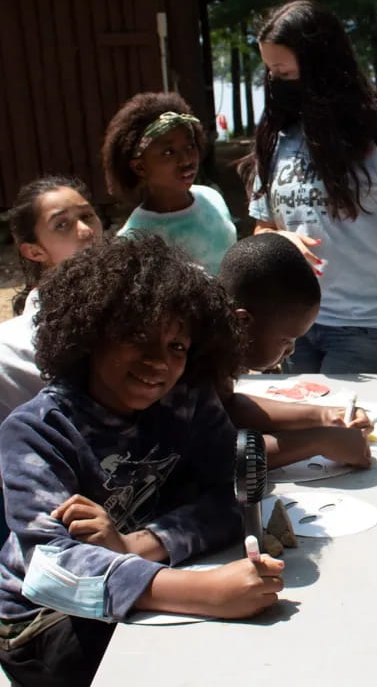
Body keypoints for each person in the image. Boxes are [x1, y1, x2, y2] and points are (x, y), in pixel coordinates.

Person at [0, 235, 284, 686]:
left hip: (158, 575)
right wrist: (203, 592)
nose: (158, 362)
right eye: (137, 337)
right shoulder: (39, 431)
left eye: (177, 346)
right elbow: (51, 571)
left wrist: (138, 544)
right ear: (91, 333)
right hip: (43, 624)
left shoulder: (187, 400)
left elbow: (232, 497)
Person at [243, 0, 377, 375]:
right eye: (270, 72)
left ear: (320, 67)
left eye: (284, 72)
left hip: (373, 330)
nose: (276, 83)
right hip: (292, 325)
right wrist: (278, 242)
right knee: (301, 432)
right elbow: (264, 227)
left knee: (360, 433)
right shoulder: (278, 135)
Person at [217, 233, 373, 468]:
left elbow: (227, 406)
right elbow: (213, 454)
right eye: (285, 339)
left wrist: (326, 416)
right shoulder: (189, 357)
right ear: (242, 322)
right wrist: (316, 442)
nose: (290, 350)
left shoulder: (220, 336)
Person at [0, 176, 104, 422]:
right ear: (34, 251)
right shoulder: (11, 353)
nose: (86, 231)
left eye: (87, 216)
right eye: (62, 225)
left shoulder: (143, 305)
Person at [102, 91, 237, 275]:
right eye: (168, 152)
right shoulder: (135, 239)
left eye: (190, 146)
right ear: (140, 167)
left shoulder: (212, 198)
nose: (186, 159)